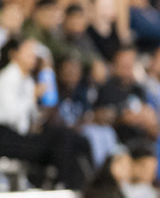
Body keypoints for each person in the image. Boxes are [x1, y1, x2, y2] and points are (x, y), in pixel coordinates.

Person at [0, 35, 92, 188]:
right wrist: (32, 96)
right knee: (62, 136)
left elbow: (32, 116)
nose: (33, 56)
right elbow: (7, 115)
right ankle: (62, 185)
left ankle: (83, 188)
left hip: (25, 136)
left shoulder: (28, 80)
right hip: (7, 138)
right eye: (28, 51)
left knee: (79, 141)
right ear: (14, 54)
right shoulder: (6, 79)